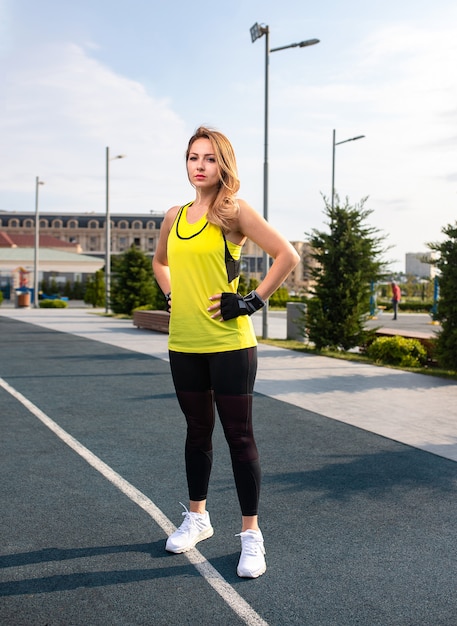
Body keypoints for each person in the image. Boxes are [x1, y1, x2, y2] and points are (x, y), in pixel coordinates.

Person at [153, 126, 300, 579]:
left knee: (239, 437)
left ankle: (251, 536)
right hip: (184, 343)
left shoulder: (232, 211)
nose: (200, 165)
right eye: (194, 157)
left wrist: (253, 300)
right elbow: (161, 262)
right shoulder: (174, 215)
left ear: (224, 165)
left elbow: (287, 255)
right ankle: (198, 517)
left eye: (209, 158)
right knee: (197, 431)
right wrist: (171, 293)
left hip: (230, 344)